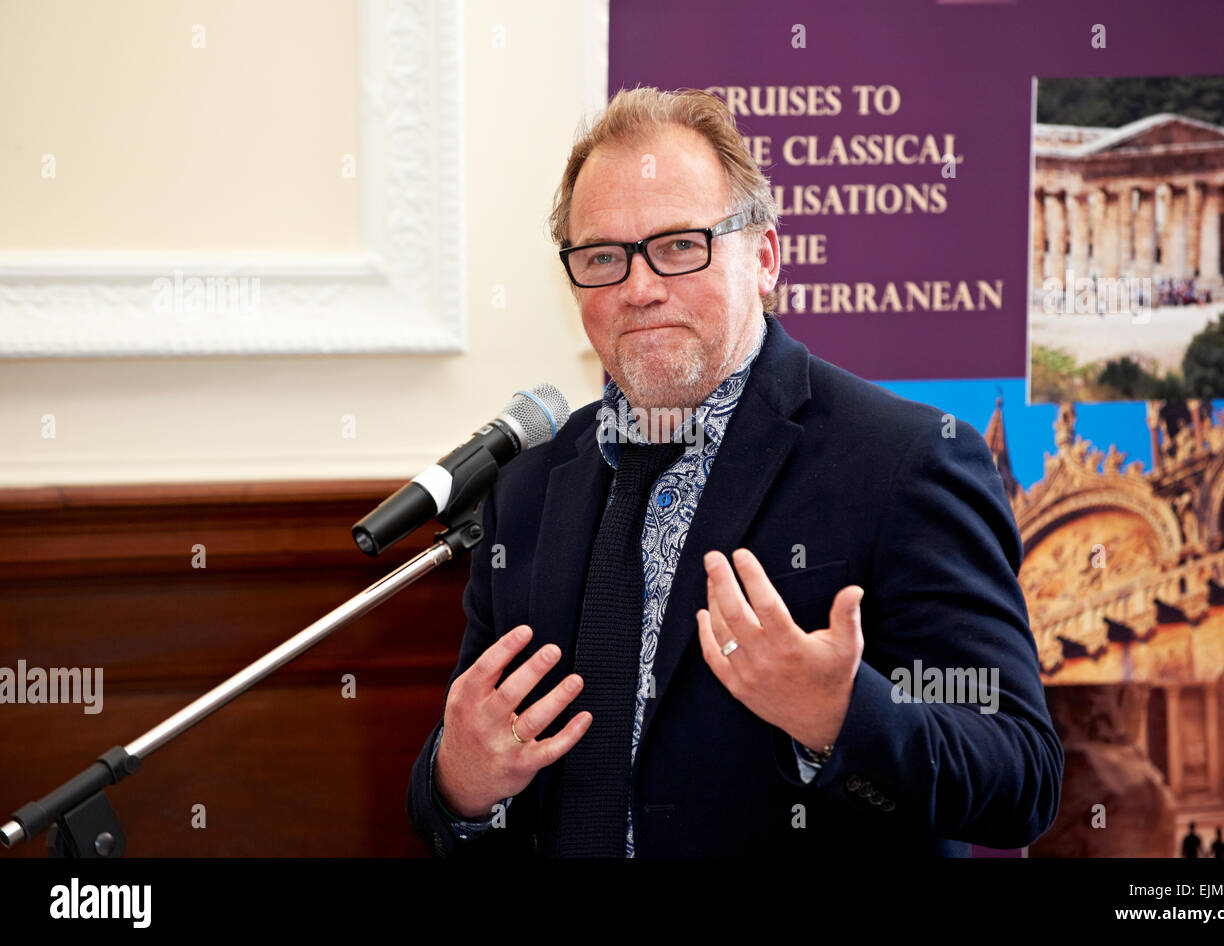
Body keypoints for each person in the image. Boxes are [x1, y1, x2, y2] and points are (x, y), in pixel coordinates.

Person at [407, 86, 1063, 858]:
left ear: (766, 257)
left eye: (680, 244)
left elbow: (1020, 775)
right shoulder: (529, 487)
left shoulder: (904, 461)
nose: (639, 287)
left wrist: (841, 717)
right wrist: (459, 782)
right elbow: (466, 797)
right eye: (601, 257)